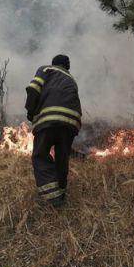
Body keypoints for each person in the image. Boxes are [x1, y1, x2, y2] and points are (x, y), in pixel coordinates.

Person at [25, 54, 82, 206]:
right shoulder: (71, 80)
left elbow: (33, 89)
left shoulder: (46, 69)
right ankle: (61, 192)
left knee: (40, 155)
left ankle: (52, 199)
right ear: (67, 67)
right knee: (62, 158)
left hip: (48, 119)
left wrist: (30, 111)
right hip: (71, 123)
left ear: (53, 63)